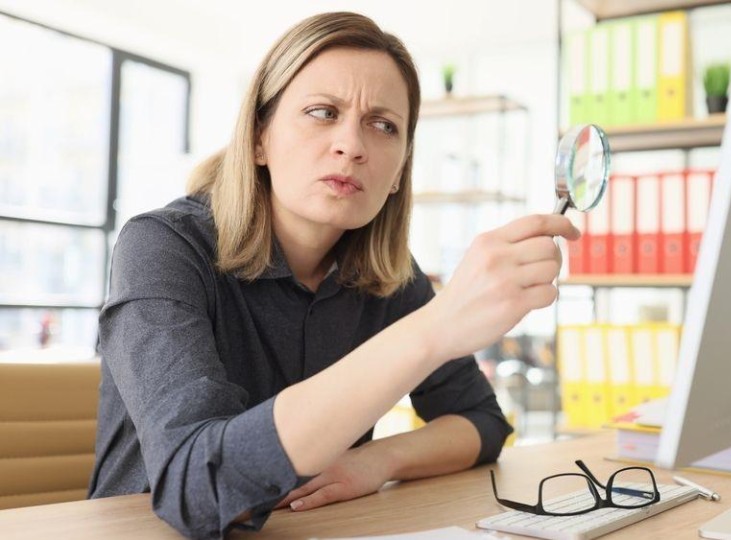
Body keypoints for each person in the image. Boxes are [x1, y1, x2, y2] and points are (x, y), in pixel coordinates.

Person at [88, 11, 579, 539]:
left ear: (399, 170)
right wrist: (435, 328)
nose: (353, 145)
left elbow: (481, 422)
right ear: (258, 138)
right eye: (323, 112)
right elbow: (197, 489)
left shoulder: (388, 274)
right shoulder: (163, 246)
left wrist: (378, 460)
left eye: (383, 125)